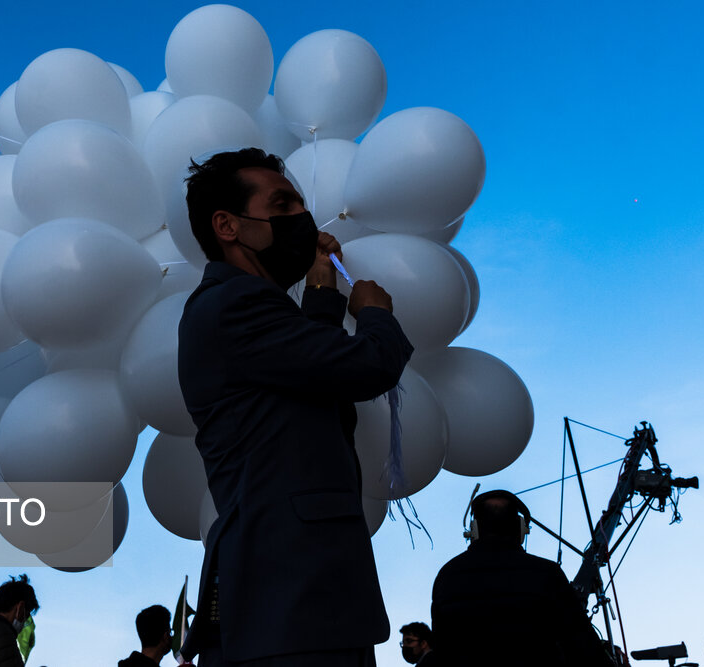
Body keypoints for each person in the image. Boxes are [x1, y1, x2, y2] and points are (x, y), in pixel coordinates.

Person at [177, 148, 413, 666]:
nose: (300, 219)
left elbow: (308, 379)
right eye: (281, 205)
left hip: (298, 604)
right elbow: (363, 368)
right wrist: (376, 316)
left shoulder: (246, 309)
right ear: (228, 225)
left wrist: (322, 293)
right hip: (292, 604)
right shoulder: (235, 303)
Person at [431, 490, 612, 667]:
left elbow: (440, 648)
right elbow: (583, 647)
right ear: (521, 529)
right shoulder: (548, 573)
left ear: (474, 530)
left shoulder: (446, 576)